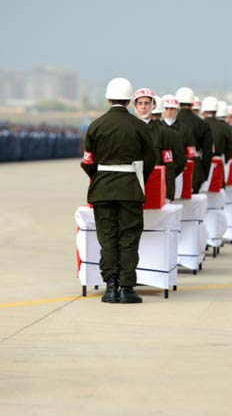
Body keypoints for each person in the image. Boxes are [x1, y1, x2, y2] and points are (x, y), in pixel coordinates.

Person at [80, 78, 156, 304]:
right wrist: (135, 177)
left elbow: (87, 161)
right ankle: (127, 288)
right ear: (130, 100)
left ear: (108, 98)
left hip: (102, 190)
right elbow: (150, 159)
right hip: (130, 189)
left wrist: (100, 177)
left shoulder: (96, 126)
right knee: (129, 238)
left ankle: (110, 287)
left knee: (108, 239)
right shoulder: (139, 126)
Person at [176, 87, 212, 193]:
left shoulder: (171, 122)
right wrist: (204, 174)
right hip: (195, 168)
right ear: (192, 104)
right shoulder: (202, 124)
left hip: (173, 167)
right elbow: (207, 152)